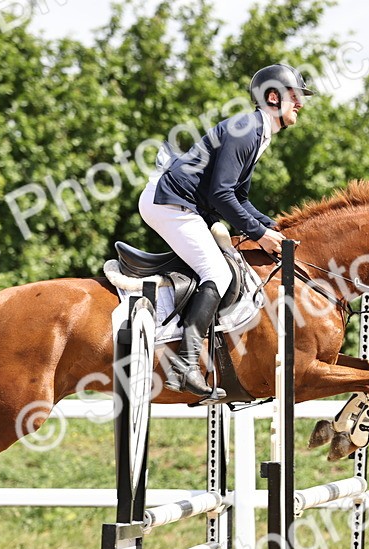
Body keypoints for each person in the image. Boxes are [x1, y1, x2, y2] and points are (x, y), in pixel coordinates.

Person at [139, 63, 314, 401]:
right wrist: (259, 234)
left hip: (181, 205)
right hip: (169, 203)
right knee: (217, 272)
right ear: (274, 97)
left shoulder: (258, 133)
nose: (301, 104)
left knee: (219, 268)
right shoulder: (247, 130)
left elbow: (239, 198)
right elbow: (221, 195)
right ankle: (185, 363)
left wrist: (275, 227)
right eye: (295, 97)